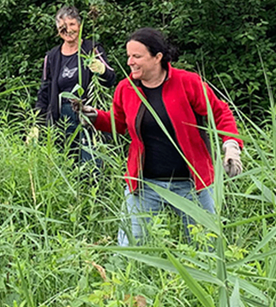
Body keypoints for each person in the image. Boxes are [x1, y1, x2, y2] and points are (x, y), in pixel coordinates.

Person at [78, 28, 244, 246]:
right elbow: (118, 123)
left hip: (192, 184)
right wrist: (95, 117)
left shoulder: (187, 82)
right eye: (129, 56)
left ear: (157, 57)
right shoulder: (126, 89)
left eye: (137, 56)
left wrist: (231, 146)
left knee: (206, 247)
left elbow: (220, 112)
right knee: (130, 248)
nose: (130, 62)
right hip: (144, 184)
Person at [33, 5, 117, 166]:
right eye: (63, 26)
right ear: (58, 30)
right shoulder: (52, 56)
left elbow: (111, 79)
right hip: (62, 117)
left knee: (91, 164)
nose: (68, 30)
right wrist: (37, 123)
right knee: (67, 164)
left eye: (72, 24)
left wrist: (102, 70)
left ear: (79, 25)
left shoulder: (92, 49)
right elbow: (44, 92)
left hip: (88, 114)